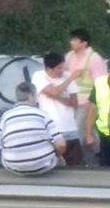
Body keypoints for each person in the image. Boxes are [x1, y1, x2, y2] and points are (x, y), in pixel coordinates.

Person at [0, 81, 66, 176]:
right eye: (36, 95)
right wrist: (58, 155)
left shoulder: (5, 117)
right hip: (43, 167)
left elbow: (1, 145)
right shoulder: (43, 115)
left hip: (13, 167)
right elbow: (61, 145)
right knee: (59, 156)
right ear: (31, 96)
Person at [31, 52, 83, 165]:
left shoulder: (66, 74)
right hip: (52, 128)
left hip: (70, 127)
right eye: (59, 68)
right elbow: (53, 91)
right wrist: (71, 78)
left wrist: (58, 98)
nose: (62, 71)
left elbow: (74, 102)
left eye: (62, 67)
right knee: (53, 162)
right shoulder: (39, 76)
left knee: (75, 163)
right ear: (48, 68)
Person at [66, 28, 106, 164]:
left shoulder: (94, 59)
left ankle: (91, 159)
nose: (71, 42)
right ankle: (96, 155)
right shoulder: (69, 56)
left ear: (84, 43)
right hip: (71, 101)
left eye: (75, 40)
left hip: (87, 102)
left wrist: (96, 103)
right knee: (83, 131)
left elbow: (100, 83)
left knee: (79, 130)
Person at [86, 72, 110, 166]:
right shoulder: (100, 83)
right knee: (105, 170)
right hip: (105, 136)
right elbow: (92, 110)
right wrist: (89, 134)